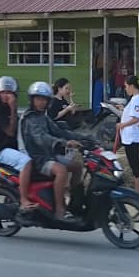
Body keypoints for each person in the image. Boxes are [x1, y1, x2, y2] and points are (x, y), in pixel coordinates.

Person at [19, 81, 91, 219]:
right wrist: (65, 143)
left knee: (77, 167)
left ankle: (75, 203)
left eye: (44, 100)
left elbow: (59, 131)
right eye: (38, 99)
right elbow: (42, 138)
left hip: (49, 155)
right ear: (32, 100)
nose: (41, 102)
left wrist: (86, 138)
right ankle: (59, 209)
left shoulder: (43, 117)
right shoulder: (30, 119)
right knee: (61, 171)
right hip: (37, 159)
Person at [111, 75, 139, 193]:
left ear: (132, 86)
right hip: (129, 136)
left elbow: (136, 118)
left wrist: (122, 125)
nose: (125, 89)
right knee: (134, 165)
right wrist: (123, 109)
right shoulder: (134, 99)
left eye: (126, 86)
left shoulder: (137, 99)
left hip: (132, 137)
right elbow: (131, 114)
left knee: (135, 166)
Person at [0, 76, 20, 158]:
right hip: (1, 151)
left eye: (9, 92)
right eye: (3, 92)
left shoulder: (9, 108)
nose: (6, 95)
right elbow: (10, 132)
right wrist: (13, 108)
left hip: (14, 149)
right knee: (26, 161)